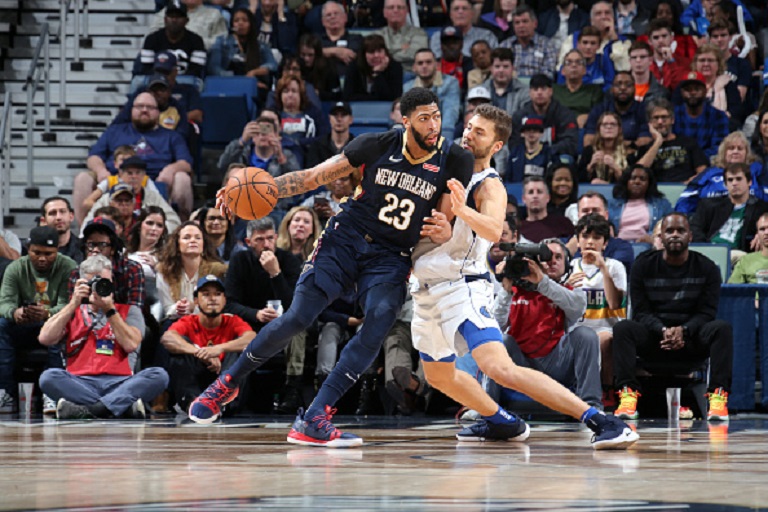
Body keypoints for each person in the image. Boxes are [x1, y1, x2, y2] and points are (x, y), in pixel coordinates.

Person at [189, 88, 475, 447]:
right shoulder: (376, 144)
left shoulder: (455, 158)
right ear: (405, 121)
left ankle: (315, 417)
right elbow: (311, 178)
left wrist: (447, 229)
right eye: (424, 118)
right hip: (346, 239)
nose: (434, 124)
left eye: (436, 116)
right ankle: (227, 383)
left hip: (391, 256)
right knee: (297, 317)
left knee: (379, 321)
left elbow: (442, 220)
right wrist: (249, 191)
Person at [410, 103, 637, 449]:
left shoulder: (490, 184)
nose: (470, 134)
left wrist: (461, 210)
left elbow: (492, 229)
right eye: (470, 127)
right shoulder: (444, 169)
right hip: (426, 289)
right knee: (438, 375)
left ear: (497, 146)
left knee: (498, 366)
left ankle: (602, 421)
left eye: (480, 132)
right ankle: (502, 422)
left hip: (462, 287)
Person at [613, 213, 733, 422]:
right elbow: (641, 312)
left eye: (680, 231)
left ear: (690, 236)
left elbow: (706, 313)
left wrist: (684, 331)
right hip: (654, 338)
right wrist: (662, 330)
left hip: (691, 339)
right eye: (669, 231)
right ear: (661, 236)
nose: (675, 235)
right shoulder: (643, 265)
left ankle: (717, 399)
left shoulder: (707, 267)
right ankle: (627, 396)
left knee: (721, 328)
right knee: (624, 328)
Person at [37, 254, 168, 420]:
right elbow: (45, 338)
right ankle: (120, 407)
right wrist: (73, 302)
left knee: (159, 375)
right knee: (48, 377)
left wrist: (110, 309)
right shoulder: (72, 311)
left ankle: (89, 409)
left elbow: (131, 344)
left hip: (121, 382)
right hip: (80, 382)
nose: (99, 287)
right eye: (93, 283)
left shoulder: (130, 311)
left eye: (104, 282)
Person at [0, 226, 77, 413]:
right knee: (1, 325)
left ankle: (52, 394)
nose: (42, 258)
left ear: (57, 250)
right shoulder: (15, 267)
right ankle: (5, 393)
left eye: (49, 254)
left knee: (62, 326)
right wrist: (15, 312)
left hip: (52, 323)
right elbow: (4, 303)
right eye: (37, 252)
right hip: (23, 324)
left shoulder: (69, 267)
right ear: (28, 248)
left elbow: (69, 304)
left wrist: (48, 314)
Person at [81, 93, 194, 220]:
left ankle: (181, 231)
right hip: (115, 180)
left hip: (156, 182)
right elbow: (93, 157)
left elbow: (186, 163)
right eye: (140, 106)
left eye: (150, 107)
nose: (144, 110)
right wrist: (101, 171)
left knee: (183, 178)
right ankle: (86, 232)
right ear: (131, 110)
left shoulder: (172, 136)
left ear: (158, 112)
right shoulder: (114, 131)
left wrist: (170, 170)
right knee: (83, 178)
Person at [160, 275, 254, 412]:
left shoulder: (233, 321)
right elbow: (167, 338)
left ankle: (223, 404)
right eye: (206, 294)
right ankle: (193, 403)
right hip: (198, 380)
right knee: (179, 349)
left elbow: (252, 338)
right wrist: (199, 352)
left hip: (224, 378)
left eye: (217, 294)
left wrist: (218, 349)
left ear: (224, 300)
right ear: (196, 301)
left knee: (241, 350)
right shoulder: (189, 321)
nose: (212, 298)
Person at [568, 213, 627, 394]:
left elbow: (615, 304)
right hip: (577, 329)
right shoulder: (570, 266)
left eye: (596, 237)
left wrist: (603, 269)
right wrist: (566, 286)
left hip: (606, 328)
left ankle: (607, 390)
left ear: (605, 243)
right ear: (578, 241)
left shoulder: (615, 266)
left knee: (602, 339)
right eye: (585, 237)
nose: (590, 242)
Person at [216, 115, 301, 214]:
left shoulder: (286, 156)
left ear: (277, 136)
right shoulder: (242, 154)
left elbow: (297, 184)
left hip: (276, 209)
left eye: (267, 131)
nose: (262, 135)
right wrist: (242, 141)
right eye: (258, 132)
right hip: (243, 206)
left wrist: (281, 157)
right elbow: (222, 165)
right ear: (252, 138)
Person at [81, 155, 180, 233]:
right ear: (121, 174)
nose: (134, 177)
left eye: (138, 173)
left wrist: (154, 229)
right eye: (129, 173)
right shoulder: (107, 198)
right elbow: (87, 224)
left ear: (144, 176)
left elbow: (174, 222)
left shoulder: (154, 197)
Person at [676, 131, 767, 214]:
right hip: (710, 219)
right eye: (731, 148)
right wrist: (682, 216)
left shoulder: (757, 170)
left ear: (747, 153)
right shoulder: (709, 173)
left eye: (740, 149)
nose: (735, 151)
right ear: (724, 153)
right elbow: (687, 198)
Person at [155, 221, 227, 326]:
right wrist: (178, 308)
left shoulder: (218, 270)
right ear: (177, 245)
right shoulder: (164, 271)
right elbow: (168, 309)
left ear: (203, 245)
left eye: (198, 238)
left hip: (208, 321)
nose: (193, 240)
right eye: (187, 237)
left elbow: (220, 306)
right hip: (176, 321)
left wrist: (194, 308)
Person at [690, 163, 768, 257]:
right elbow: (695, 227)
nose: (734, 183)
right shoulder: (709, 205)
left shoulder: (762, 208)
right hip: (710, 251)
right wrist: (705, 248)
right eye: (730, 180)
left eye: (739, 179)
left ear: (749, 182)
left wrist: (761, 234)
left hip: (740, 255)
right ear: (726, 184)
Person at [635, 99, 709, 184]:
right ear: (650, 123)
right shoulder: (646, 148)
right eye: (656, 118)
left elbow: (703, 171)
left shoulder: (688, 142)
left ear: (672, 120)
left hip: (686, 188)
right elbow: (638, 172)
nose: (660, 122)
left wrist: (690, 182)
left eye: (664, 117)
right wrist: (657, 142)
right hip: (657, 191)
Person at [206, 7, 278, 93]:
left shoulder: (261, 45)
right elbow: (214, 68)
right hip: (227, 83)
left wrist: (254, 72)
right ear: (232, 25)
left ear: (251, 24)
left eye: (245, 20)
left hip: (254, 84)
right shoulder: (222, 42)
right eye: (236, 21)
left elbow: (272, 65)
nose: (240, 23)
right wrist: (241, 81)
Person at [510, 74, 579, 158]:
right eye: (535, 89)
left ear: (551, 91)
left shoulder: (565, 115)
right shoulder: (519, 116)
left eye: (543, 89)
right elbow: (514, 143)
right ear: (530, 93)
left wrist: (545, 152)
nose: (539, 92)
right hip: (526, 158)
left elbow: (570, 142)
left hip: (555, 157)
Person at [583, 72, 652, 150]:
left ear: (634, 88)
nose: (623, 88)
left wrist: (610, 143)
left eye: (628, 85)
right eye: (618, 84)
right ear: (612, 89)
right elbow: (588, 140)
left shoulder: (642, 110)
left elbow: (646, 141)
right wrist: (629, 144)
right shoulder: (599, 110)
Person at [137, 1, 207, 78]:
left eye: (178, 17)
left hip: (186, 81)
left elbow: (196, 71)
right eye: (171, 16)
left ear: (186, 20)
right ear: (165, 19)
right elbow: (146, 69)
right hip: (157, 81)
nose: (174, 20)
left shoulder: (196, 41)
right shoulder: (152, 39)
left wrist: (173, 79)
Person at [404, 49, 461, 142]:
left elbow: (450, 113)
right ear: (414, 67)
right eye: (420, 63)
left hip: (442, 130)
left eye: (428, 62)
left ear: (437, 65)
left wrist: (443, 142)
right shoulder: (407, 88)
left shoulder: (451, 83)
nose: (424, 66)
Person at [608, 165, 673, 244]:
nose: (637, 182)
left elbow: (671, 225)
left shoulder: (661, 204)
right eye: (633, 178)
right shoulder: (612, 204)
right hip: (617, 246)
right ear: (627, 181)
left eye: (642, 179)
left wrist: (652, 238)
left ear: (649, 183)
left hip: (649, 246)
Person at [673, 71, 730, 160]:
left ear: (705, 91)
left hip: (708, 163)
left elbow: (719, 147)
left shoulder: (719, 116)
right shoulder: (673, 115)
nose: (692, 93)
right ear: (681, 92)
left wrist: (696, 159)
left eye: (697, 89)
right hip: (679, 162)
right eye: (688, 89)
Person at [498, 6, 557, 79]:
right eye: (517, 23)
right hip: (511, 86)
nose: (521, 25)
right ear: (513, 26)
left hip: (537, 87)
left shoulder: (547, 45)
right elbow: (498, 71)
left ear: (535, 24)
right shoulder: (504, 46)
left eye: (525, 21)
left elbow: (549, 73)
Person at [342, 34, 403, 102]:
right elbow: (347, 97)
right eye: (371, 52)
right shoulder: (354, 67)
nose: (376, 55)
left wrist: (377, 74)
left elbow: (394, 98)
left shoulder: (395, 67)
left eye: (379, 51)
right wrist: (374, 98)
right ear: (364, 54)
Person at [429, 0, 498, 59]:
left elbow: (495, 60)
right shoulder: (438, 37)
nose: (460, 12)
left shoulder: (487, 36)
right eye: (456, 9)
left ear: (472, 13)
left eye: (464, 8)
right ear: (450, 15)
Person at [553, 49, 604, 128]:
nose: (574, 65)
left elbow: (599, 114)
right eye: (568, 62)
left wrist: (588, 117)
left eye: (578, 62)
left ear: (584, 70)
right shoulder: (554, 90)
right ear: (562, 71)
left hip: (584, 129)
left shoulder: (594, 90)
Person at [148, 0, 227, 50]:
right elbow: (150, 37)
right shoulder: (165, 13)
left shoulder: (214, 14)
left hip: (202, 58)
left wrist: (191, 44)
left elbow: (220, 41)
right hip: (164, 58)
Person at [375, 0, 428, 73]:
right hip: (384, 75)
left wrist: (387, 53)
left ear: (406, 11)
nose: (396, 10)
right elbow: (374, 57)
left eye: (400, 7)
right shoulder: (377, 35)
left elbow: (417, 54)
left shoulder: (419, 33)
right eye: (391, 7)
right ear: (384, 12)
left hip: (412, 76)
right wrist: (401, 48)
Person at [519, 176, 575, 242]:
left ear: (548, 197)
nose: (535, 196)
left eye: (539, 192)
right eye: (531, 192)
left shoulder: (564, 223)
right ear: (524, 199)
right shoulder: (518, 229)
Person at [578, 111, 629, 184]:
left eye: (613, 124)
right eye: (605, 124)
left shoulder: (627, 152)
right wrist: (590, 166)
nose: (609, 127)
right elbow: (578, 179)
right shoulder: (589, 151)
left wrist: (616, 168)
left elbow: (630, 182)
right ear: (599, 129)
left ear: (619, 129)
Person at [479, 48, 529, 119]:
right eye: (497, 66)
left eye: (505, 66)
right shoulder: (480, 91)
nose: (501, 70)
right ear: (491, 68)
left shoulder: (524, 92)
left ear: (512, 68)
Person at [319, 1, 363, 82]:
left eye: (336, 13)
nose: (332, 17)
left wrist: (324, 52)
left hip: (351, 84)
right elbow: (309, 53)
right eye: (328, 15)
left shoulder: (356, 38)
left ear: (345, 17)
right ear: (323, 21)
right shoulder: (317, 41)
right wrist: (335, 51)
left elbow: (355, 55)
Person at [304, 101, 354, 169]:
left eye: (343, 115)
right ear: (329, 119)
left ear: (351, 119)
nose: (339, 119)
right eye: (335, 115)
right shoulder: (317, 146)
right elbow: (311, 173)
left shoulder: (357, 147)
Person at [645, 19, 691, 92]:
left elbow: (679, 89)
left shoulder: (685, 63)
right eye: (656, 37)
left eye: (664, 36)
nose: (660, 40)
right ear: (649, 41)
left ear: (672, 38)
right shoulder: (645, 64)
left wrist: (671, 62)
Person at [298, 33, 342, 102]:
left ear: (317, 54)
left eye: (310, 55)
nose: (306, 59)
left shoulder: (329, 69)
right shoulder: (295, 68)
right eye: (303, 55)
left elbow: (337, 95)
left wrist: (319, 94)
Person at [505, 115, 551, 182]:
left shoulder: (548, 152)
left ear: (541, 133)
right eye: (528, 130)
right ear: (522, 133)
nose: (531, 133)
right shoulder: (515, 152)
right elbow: (508, 178)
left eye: (535, 130)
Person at [40, 197, 83, 263]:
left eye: (62, 211)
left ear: (71, 216)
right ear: (44, 220)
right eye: (52, 213)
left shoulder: (83, 249)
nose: (58, 217)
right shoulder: (33, 250)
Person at [728, 212, 768, 283]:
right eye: (762, 229)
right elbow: (732, 291)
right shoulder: (745, 261)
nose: (766, 232)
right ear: (757, 234)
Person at [627, 41, 669, 105]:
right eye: (634, 57)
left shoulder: (662, 92)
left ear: (650, 60)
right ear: (629, 61)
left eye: (642, 57)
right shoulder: (618, 91)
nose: (638, 60)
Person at [545, 156, 579, 220]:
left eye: (567, 180)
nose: (563, 183)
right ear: (550, 182)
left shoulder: (577, 208)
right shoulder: (543, 208)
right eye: (558, 179)